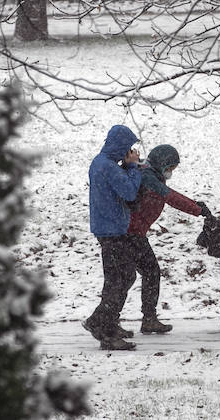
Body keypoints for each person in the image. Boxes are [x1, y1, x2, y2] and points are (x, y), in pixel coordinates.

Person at [125, 143, 209, 333]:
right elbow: (171, 197)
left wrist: (195, 205)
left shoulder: (149, 173)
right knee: (142, 274)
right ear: (162, 164)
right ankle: (118, 320)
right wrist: (196, 209)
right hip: (130, 233)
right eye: (170, 168)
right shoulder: (149, 178)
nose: (171, 172)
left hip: (134, 232)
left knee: (138, 275)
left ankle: (138, 318)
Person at [83, 124, 145, 350]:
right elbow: (129, 192)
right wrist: (133, 168)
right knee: (118, 280)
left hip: (108, 228)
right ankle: (101, 325)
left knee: (123, 276)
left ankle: (108, 322)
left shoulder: (100, 162)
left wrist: (127, 167)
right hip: (112, 231)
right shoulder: (109, 167)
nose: (129, 151)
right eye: (128, 147)